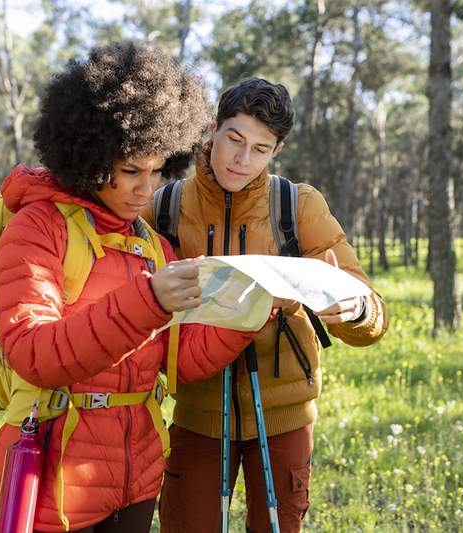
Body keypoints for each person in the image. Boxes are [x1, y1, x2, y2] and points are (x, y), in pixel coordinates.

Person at [0, 44, 267, 533]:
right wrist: (149, 300)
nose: (147, 189)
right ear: (90, 159)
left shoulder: (152, 245)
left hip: (136, 476)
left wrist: (251, 308)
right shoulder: (39, 228)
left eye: (158, 171)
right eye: (131, 171)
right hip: (53, 475)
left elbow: (180, 358)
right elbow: (33, 354)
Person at [141, 77, 389, 533]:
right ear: (212, 129)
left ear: (276, 151)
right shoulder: (164, 206)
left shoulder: (298, 206)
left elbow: (369, 309)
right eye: (234, 140)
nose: (242, 159)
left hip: (284, 417)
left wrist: (353, 311)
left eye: (260, 148)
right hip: (196, 411)